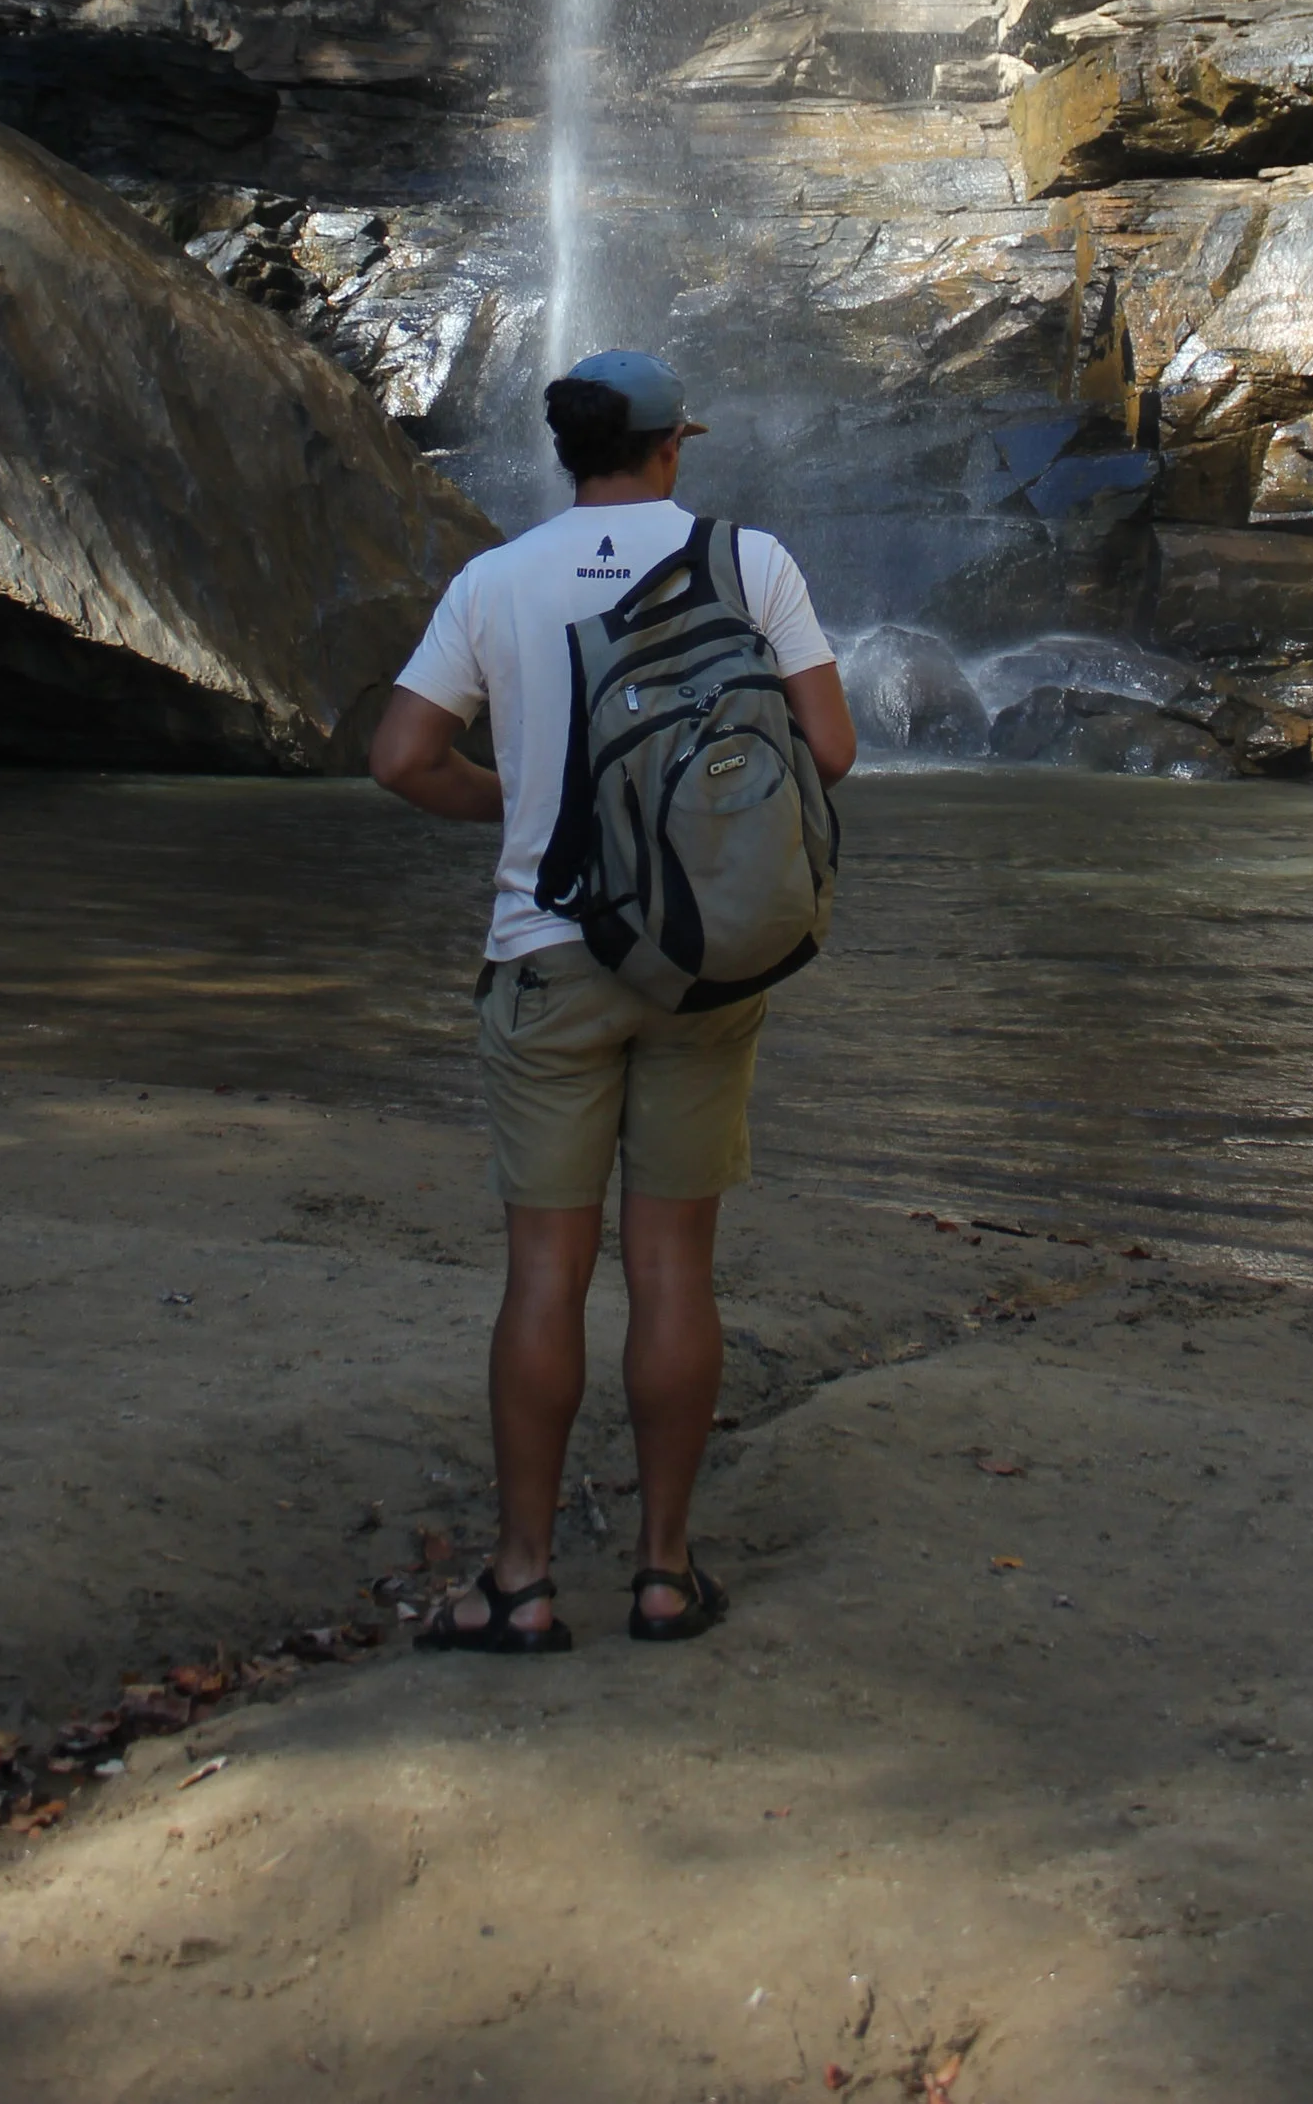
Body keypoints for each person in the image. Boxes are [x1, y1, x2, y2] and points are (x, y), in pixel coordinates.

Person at [368, 347, 856, 1652]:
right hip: (697, 959)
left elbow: (400, 756)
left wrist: (516, 805)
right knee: (671, 1265)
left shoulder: (495, 579)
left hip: (547, 953)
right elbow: (833, 749)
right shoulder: (751, 564)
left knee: (546, 1269)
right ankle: (662, 1570)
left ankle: (521, 1580)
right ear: (669, 447)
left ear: (565, 451)